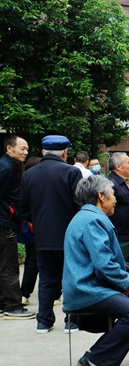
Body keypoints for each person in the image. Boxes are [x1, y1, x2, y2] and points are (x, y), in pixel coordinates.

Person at [63, 176, 129, 366]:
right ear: (101, 196)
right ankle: (94, 360)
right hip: (86, 291)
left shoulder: (85, 216)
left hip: (89, 287)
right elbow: (103, 264)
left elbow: (103, 259)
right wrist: (125, 281)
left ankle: (99, 359)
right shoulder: (93, 220)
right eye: (113, 194)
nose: (116, 199)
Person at [19, 135, 83, 331]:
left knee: (46, 279)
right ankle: (71, 321)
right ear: (64, 152)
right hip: (68, 236)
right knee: (71, 278)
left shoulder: (29, 174)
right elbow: (80, 204)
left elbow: (23, 208)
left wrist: (38, 221)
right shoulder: (72, 172)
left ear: (42, 152)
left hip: (42, 236)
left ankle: (44, 321)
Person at [0, 135, 35, 320]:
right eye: (22, 148)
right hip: (5, 223)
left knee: (5, 264)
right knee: (9, 265)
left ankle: (4, 303)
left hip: (7, 220)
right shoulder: (5, 167)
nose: (25, 152)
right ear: (9, 148)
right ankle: (12, 306)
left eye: (27, 148)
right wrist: (12, 213)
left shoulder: (10, 166)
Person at [106, 152, 129, 265]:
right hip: (121, 236)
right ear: (118, 167)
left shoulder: (124, 182)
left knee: (128, 269)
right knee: (120, 269)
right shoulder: (111, 184)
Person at [18, 157, 42, 306]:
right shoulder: (39, 183)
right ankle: (55, 294)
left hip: (31, 227)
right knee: (40, 261)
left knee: (31, 261)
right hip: (40, 228)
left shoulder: (25, 181)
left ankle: (24, 293)